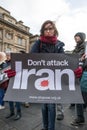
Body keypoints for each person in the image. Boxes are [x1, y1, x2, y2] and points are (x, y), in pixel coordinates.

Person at [30, 20, 65, 130]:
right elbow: (29, 59)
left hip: (54, 79)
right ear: (43, 31)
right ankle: (45, 127)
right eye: (46, 29)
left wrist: (74, 69)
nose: (48, 31)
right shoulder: (38, 43)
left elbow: (65, 61)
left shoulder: (59, 45)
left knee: (51, 105)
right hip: (41, 79)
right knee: (44, 106)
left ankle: (51, 128)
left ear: (54, 30)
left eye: (50, 28)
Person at [71, 32, 87, 126]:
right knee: (80, 96)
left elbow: (82, 60)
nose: (76, 38)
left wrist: (81, 61)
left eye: (78, 36)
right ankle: (80, 117)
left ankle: (80, 117)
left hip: (84, 72)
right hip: (78, 73)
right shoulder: (76, 48)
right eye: (75, 36)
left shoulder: (85, 47)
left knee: (81, 96)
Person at [5, 52, 22, 120]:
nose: (7, 56)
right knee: (10, 99)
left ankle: (19, 113)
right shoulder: (6, 63)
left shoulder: (16, 62)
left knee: (16, 99)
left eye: (8, 55)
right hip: (8, 83)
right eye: (6, 55)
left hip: (15, 83)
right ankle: (12, 112)